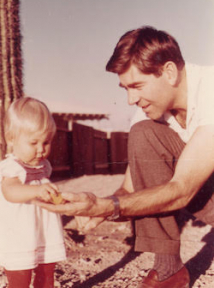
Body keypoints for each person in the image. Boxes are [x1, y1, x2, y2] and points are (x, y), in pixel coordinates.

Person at [36, 26, 214, 288]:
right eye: (125, 88)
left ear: (169, 72)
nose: (131, 99)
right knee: (143, 133)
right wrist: (99, 207)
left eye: (137, 86)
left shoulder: (210, 90)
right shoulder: (148, 113)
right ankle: (169, 270)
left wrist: (107, 206)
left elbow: (182, 190)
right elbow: (130, 189)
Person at [0, 97, 66, 288]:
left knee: (47, 274)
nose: (40, 150)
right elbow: (10, 191)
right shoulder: (11, 167)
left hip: (44, 232)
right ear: (11, 139)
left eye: (46, 142)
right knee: (20, 277)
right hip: (20, 235)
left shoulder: (44, 165)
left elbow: (45, 190)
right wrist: (36, 190)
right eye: (33, 143)